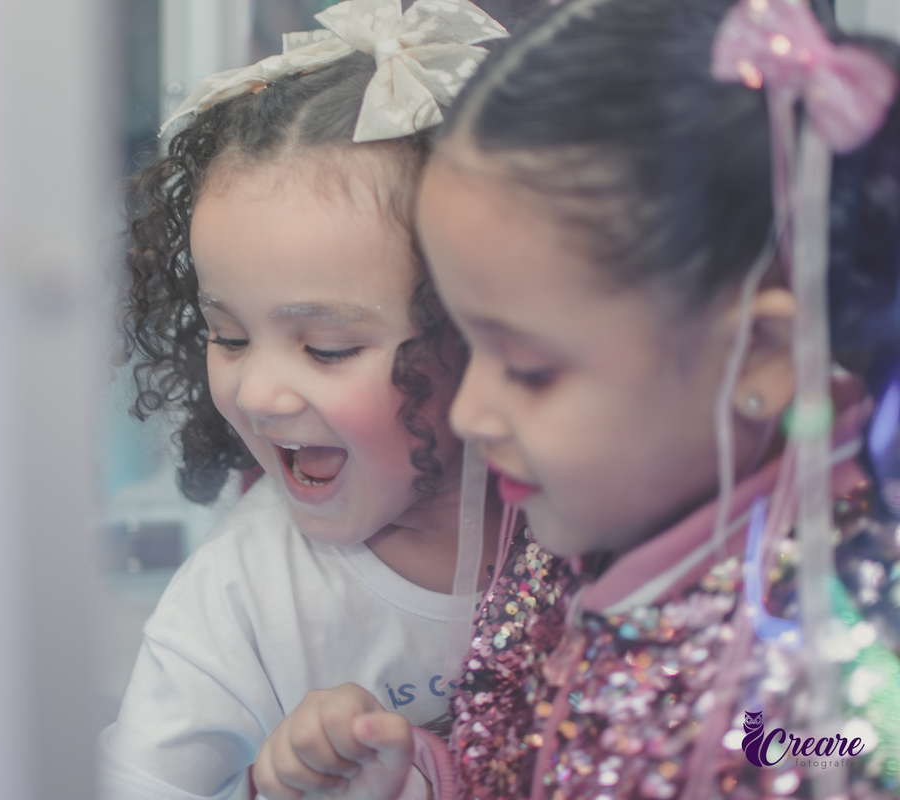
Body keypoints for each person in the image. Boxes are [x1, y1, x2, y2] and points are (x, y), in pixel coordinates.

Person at [254, 0, 900, 798]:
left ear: (761, 357)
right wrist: (418, 778)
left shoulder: (840, 677)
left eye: (526, 367)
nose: (468, 413)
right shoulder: (573, 526)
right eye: (463, 344)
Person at [101, 3, 508, 798]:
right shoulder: (242, 596)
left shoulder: (582, 526)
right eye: (228, 337)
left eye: (327, 348)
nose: (256, 392)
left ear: (483, 329)